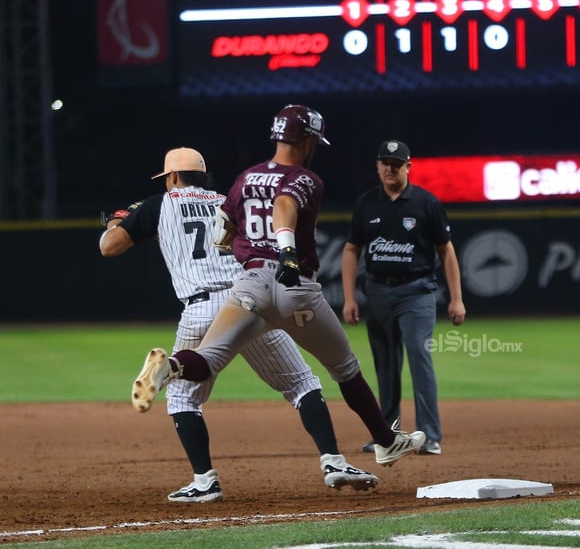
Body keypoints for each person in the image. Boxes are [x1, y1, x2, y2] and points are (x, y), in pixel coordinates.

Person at [130, 106, 426, 468]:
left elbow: (225, 226)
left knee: (206, 359)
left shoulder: (245, 178)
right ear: (305, 140)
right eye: (314, 140)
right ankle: (385, 442)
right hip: (292, 284)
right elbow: (284, 204)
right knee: (344, 369)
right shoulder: (305, 178)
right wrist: (286, 249)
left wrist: (237, 245)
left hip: (250, 284)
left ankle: (171, 367)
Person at [101, 146, 378, 502]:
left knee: (183, 396)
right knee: (302, 383)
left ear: (171, 177)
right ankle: (334, 462)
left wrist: (116, 221)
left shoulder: (158, 204)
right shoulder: (228, 200)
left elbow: (109, 247)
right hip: (247, 302)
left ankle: (205, 482)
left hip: (199, 307)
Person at [341, 140, 466, 457]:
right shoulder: (367, 204)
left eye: (397, 163)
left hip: (417, 291)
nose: (390, 168)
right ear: (377, 165)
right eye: (385, 162)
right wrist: (349, 298)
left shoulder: (426, 203)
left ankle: (431, 435)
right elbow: (351, 249)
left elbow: (446, 250)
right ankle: (387, 435)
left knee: (419, 359)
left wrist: (456, 299)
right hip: (378, 292)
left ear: (408, 166)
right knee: (385, 365)